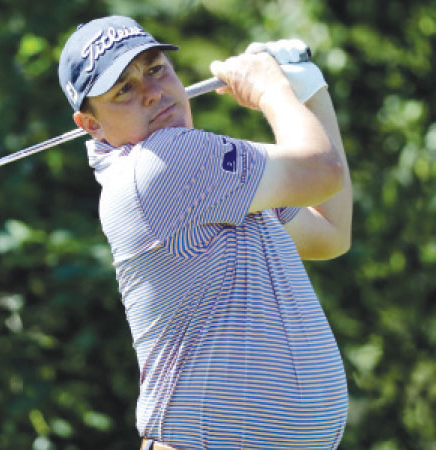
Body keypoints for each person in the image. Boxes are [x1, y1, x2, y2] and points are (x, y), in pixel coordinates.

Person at [58, 16, 352, 450]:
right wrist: (274, 90)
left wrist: (308, 88)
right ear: (91, 124)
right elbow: (321, 170)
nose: (153, 93)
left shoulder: (211, 177)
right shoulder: (160, 165)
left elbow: (330, 232)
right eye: (124, 90)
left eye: (156, 69)